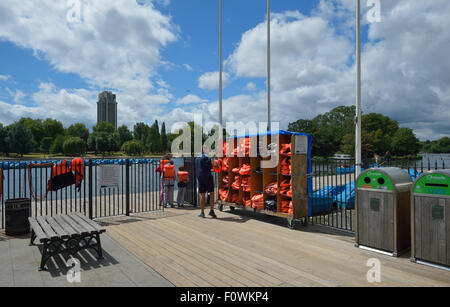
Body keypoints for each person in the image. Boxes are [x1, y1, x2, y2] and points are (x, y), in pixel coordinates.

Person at [195, 145, 217, 218]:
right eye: (208, 149)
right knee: (212, 193)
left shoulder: (197, 158)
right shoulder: (207, 157)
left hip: (200, 178)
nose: (209, 150)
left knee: (202, 195)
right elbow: (210, 168)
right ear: (205, 149)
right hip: (207, 177)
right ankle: (211, 210)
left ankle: (202, 212)